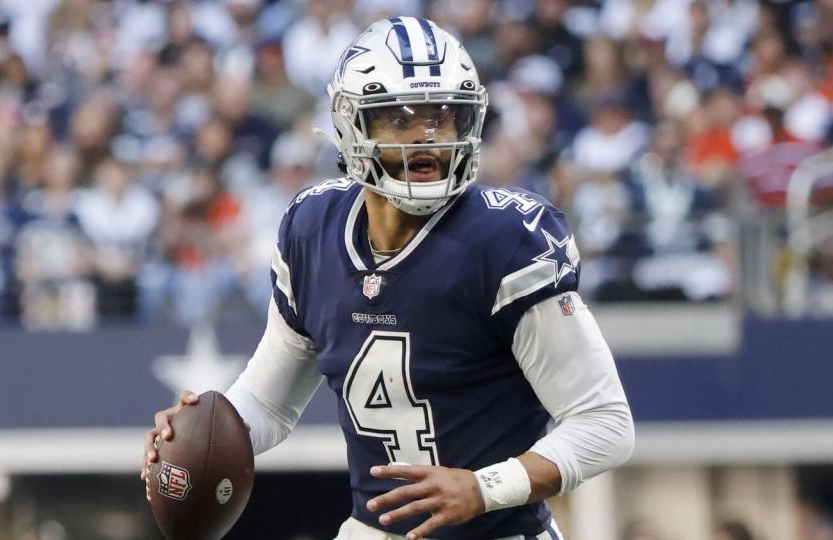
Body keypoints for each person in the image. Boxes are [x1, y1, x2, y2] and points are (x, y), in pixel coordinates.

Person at [143, 17, 635, 540]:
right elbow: (267, 403)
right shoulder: (313, 230)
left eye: (444, 116)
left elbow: (604, 424)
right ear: (353, 124)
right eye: (401, 119)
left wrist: (485, 487)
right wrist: (203, 430)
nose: (427, 138)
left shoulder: (505, 241)